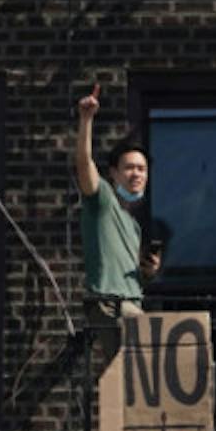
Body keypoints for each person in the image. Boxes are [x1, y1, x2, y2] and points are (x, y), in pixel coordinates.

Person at [73, 84, 164, 358]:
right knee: (134, 372)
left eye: (142, 169)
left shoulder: (133, 225)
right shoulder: (102, 201)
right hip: (110, 305)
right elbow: (83, 164)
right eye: (129, 168)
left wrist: (148, 272)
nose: (136, 174)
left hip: (132, 304)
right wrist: (86, 120)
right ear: (113, 173)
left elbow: (129, 275)